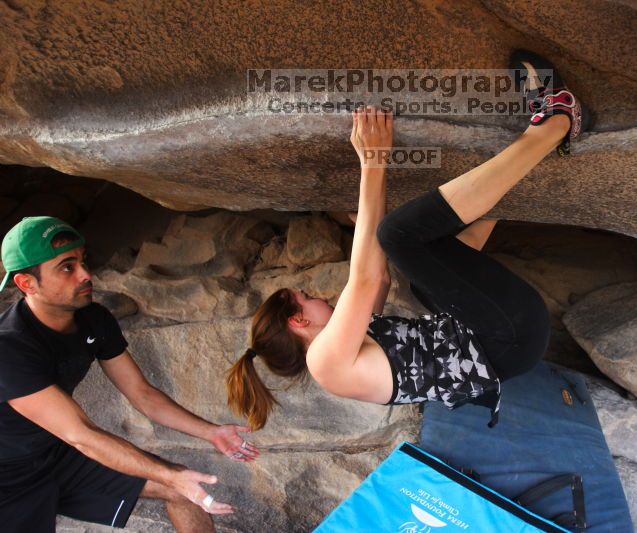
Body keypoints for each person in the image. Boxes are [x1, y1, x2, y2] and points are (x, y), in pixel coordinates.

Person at [227, 52, 588, 430]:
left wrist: (373, 193)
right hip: (508, 338)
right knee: (399, 236)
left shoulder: (341, 347)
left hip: (497, 336)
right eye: (306, 298)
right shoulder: (325, 363)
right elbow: (366, 278)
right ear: (298, 321)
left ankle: (511, 185)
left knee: (419, 277)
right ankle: (557, 119)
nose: (317, 297)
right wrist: (372, 160)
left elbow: (378, 277)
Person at [0, 216, 261, 532]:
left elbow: (142, 394)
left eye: (83, 261)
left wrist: (210, 432)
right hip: (9, 476)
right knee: (172, 478)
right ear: (27, 283)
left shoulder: (93, 318)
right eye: (67, 267)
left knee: (182, 490)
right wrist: (169, 475)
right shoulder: (10, 347)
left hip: (55, 454)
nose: (85, 275)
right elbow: (81, 434)